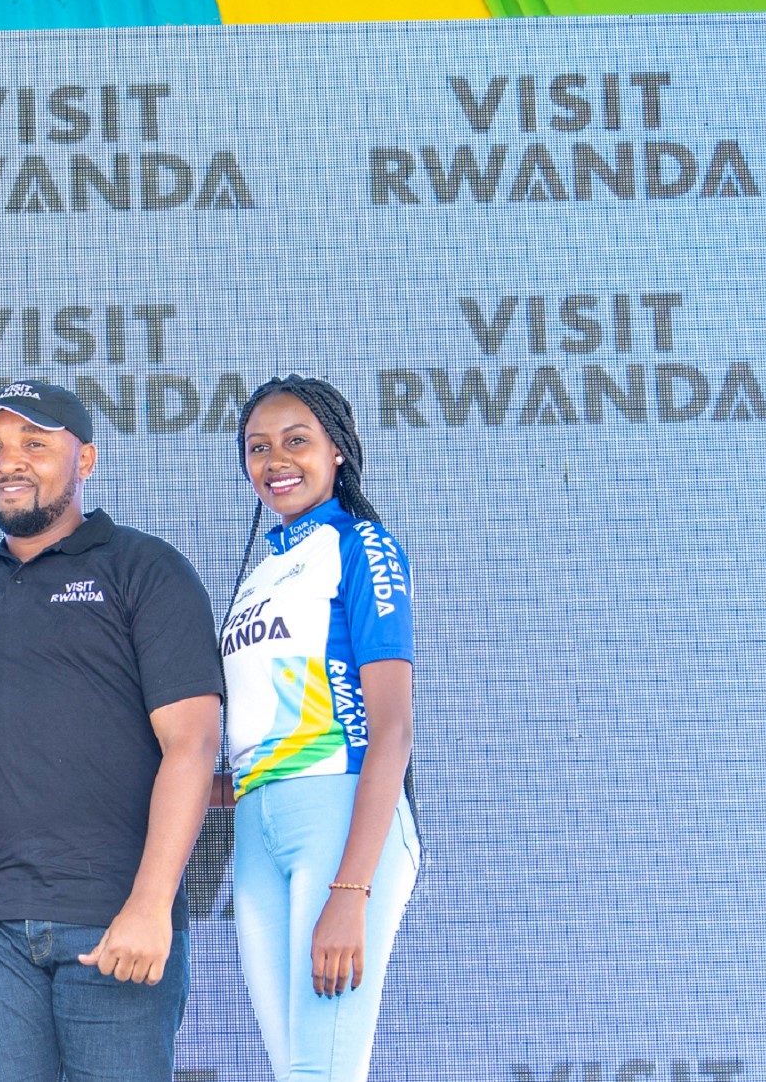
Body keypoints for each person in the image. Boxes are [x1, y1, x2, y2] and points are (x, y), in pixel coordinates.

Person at [0, 380, 223, 1082]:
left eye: (33, 442)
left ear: (84, 460)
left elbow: (193, 744)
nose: (7, 460)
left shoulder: (145, 569)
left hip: (112, 917)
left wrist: (149, 906)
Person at [219, 375, 419, 1082]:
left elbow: (392, 729)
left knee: (320, 1073)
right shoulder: (261, 571)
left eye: (296, 441)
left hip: (337, 820)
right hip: (256, 829)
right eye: (257, 448)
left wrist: (349, 891)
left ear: (337, 450)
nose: (276, 460)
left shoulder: (362, 545)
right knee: (297, 1070)